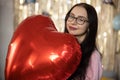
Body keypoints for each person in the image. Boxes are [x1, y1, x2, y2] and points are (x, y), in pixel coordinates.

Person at [64, 3, 103, 80]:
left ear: (89, 26)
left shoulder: (93, 56)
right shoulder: (63, 47)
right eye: (71, 16)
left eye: (80, 19)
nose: (73, 22)